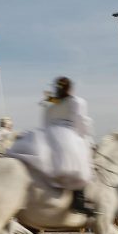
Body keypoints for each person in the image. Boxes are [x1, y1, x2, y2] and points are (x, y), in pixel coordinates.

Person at [45, 77, 94, 215]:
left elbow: (46, 122)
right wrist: (85, 138)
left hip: (49, 135)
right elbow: (80, 122)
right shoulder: (76, 102)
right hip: (68, 134)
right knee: (82, 163)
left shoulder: (52, 104)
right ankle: (78, 201)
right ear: (69, 88)